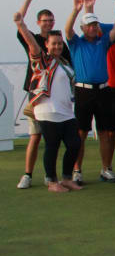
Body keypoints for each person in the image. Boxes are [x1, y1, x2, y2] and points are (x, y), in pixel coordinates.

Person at [14, 11, 82, 193]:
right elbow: (31, 44)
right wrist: (21, 25)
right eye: (54, 43)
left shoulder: (64, 62)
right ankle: (52, 181)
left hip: (66, 111)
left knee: (74, 144)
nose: (57, 46)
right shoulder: (42, 60)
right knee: (52, 146)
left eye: (59, 43)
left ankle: (66, 178)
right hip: (48, 111)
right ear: (46, 45)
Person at [64, 0, 115, 184]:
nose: (93, 28)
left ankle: (106, 169)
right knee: (81, 133)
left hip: (103, 90)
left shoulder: (103, 41)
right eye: (90, 25)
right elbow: (67, 30)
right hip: (83, 91)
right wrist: (76, 10)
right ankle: (77, 170)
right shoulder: (76, 43)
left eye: (95, 25)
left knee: (105, 132)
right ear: (83, 28)